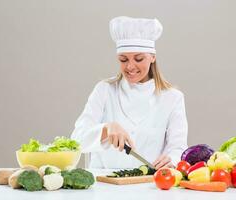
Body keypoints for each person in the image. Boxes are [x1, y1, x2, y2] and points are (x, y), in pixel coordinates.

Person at [71, 16, 188, 169]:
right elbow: (76, 140)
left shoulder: (172, 98)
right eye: (123, 59)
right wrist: (106, 129)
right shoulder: (104, 90)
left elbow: (178, 147)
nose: (130, 66)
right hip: (104, 186)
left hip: (149, 185)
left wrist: (171, 160)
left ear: (152, 57)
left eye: (139, 59)